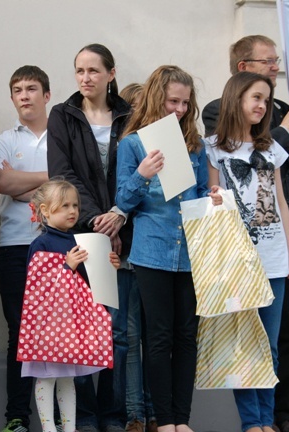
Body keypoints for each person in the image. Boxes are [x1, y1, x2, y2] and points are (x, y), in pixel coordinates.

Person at [202, 35, 289, 432]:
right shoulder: (214, 146)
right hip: (237, 260)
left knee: (270, 344)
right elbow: (212, 201)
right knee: (243, 346)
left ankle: (269, 420)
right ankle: (251, 422)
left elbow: (284, 203)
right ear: (237, 96)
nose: (261, 105)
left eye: (266, 101)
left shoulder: (272, 148)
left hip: (273, 257)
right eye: (255, 97)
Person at [116, 65, 219, 432]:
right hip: (152, 250)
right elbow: (122, 202)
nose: (178, 109)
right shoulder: (131, 144)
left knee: (186, 335)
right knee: (157, 336)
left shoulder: (195, 146)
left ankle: (182, 419)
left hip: (190, 251)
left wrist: (213, 195)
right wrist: (142, 174)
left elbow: (196, 197)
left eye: (184, 103)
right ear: (156, 98)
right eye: (172, 101)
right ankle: (162, 419)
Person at [47, 43, 132, 432]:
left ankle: (113, 415)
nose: (85, 78)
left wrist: (120, 217)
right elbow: (62, 175)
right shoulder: (63, 116)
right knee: (81, 327)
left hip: (125, 233)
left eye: (94, 71)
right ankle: (83, 416)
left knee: (116, 332)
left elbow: (137, 173)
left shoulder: (130, 117)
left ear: (111, 74)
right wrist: (101, 220)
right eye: (79, 70)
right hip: (83, 235)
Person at [20, 179, 120, 432]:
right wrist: (68, 266)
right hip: (47, 328)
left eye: (75, 204)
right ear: (45, 210)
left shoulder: (81, 240)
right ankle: (49, 428)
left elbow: (87, 282)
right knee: (46, 378)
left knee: (67, 379)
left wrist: (108, 266)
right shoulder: (40, 244)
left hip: (69, 326)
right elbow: (37, 289)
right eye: (64, 205)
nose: (73, 211)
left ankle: (69, 426)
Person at [0, 66, 52, 432]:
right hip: (15, 244)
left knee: (58, 330)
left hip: (58, 246)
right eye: (17, 90)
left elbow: (75, 189)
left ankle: (62, 416)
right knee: (20, 331)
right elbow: (2, 182)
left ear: (47, 95)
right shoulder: (2, 140)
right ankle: (18, 416)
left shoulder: (64, 137)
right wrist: (55, 180)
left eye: (32, 88)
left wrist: (23, 183)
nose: (25, 95)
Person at [118, 82, 156, 432]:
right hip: (126, 253)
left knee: (155, 337)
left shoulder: (164, 147)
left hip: (155, 255)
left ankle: (155, 412)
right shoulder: (127, 148)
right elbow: (119, 197)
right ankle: (135, 414)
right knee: (130, 338)